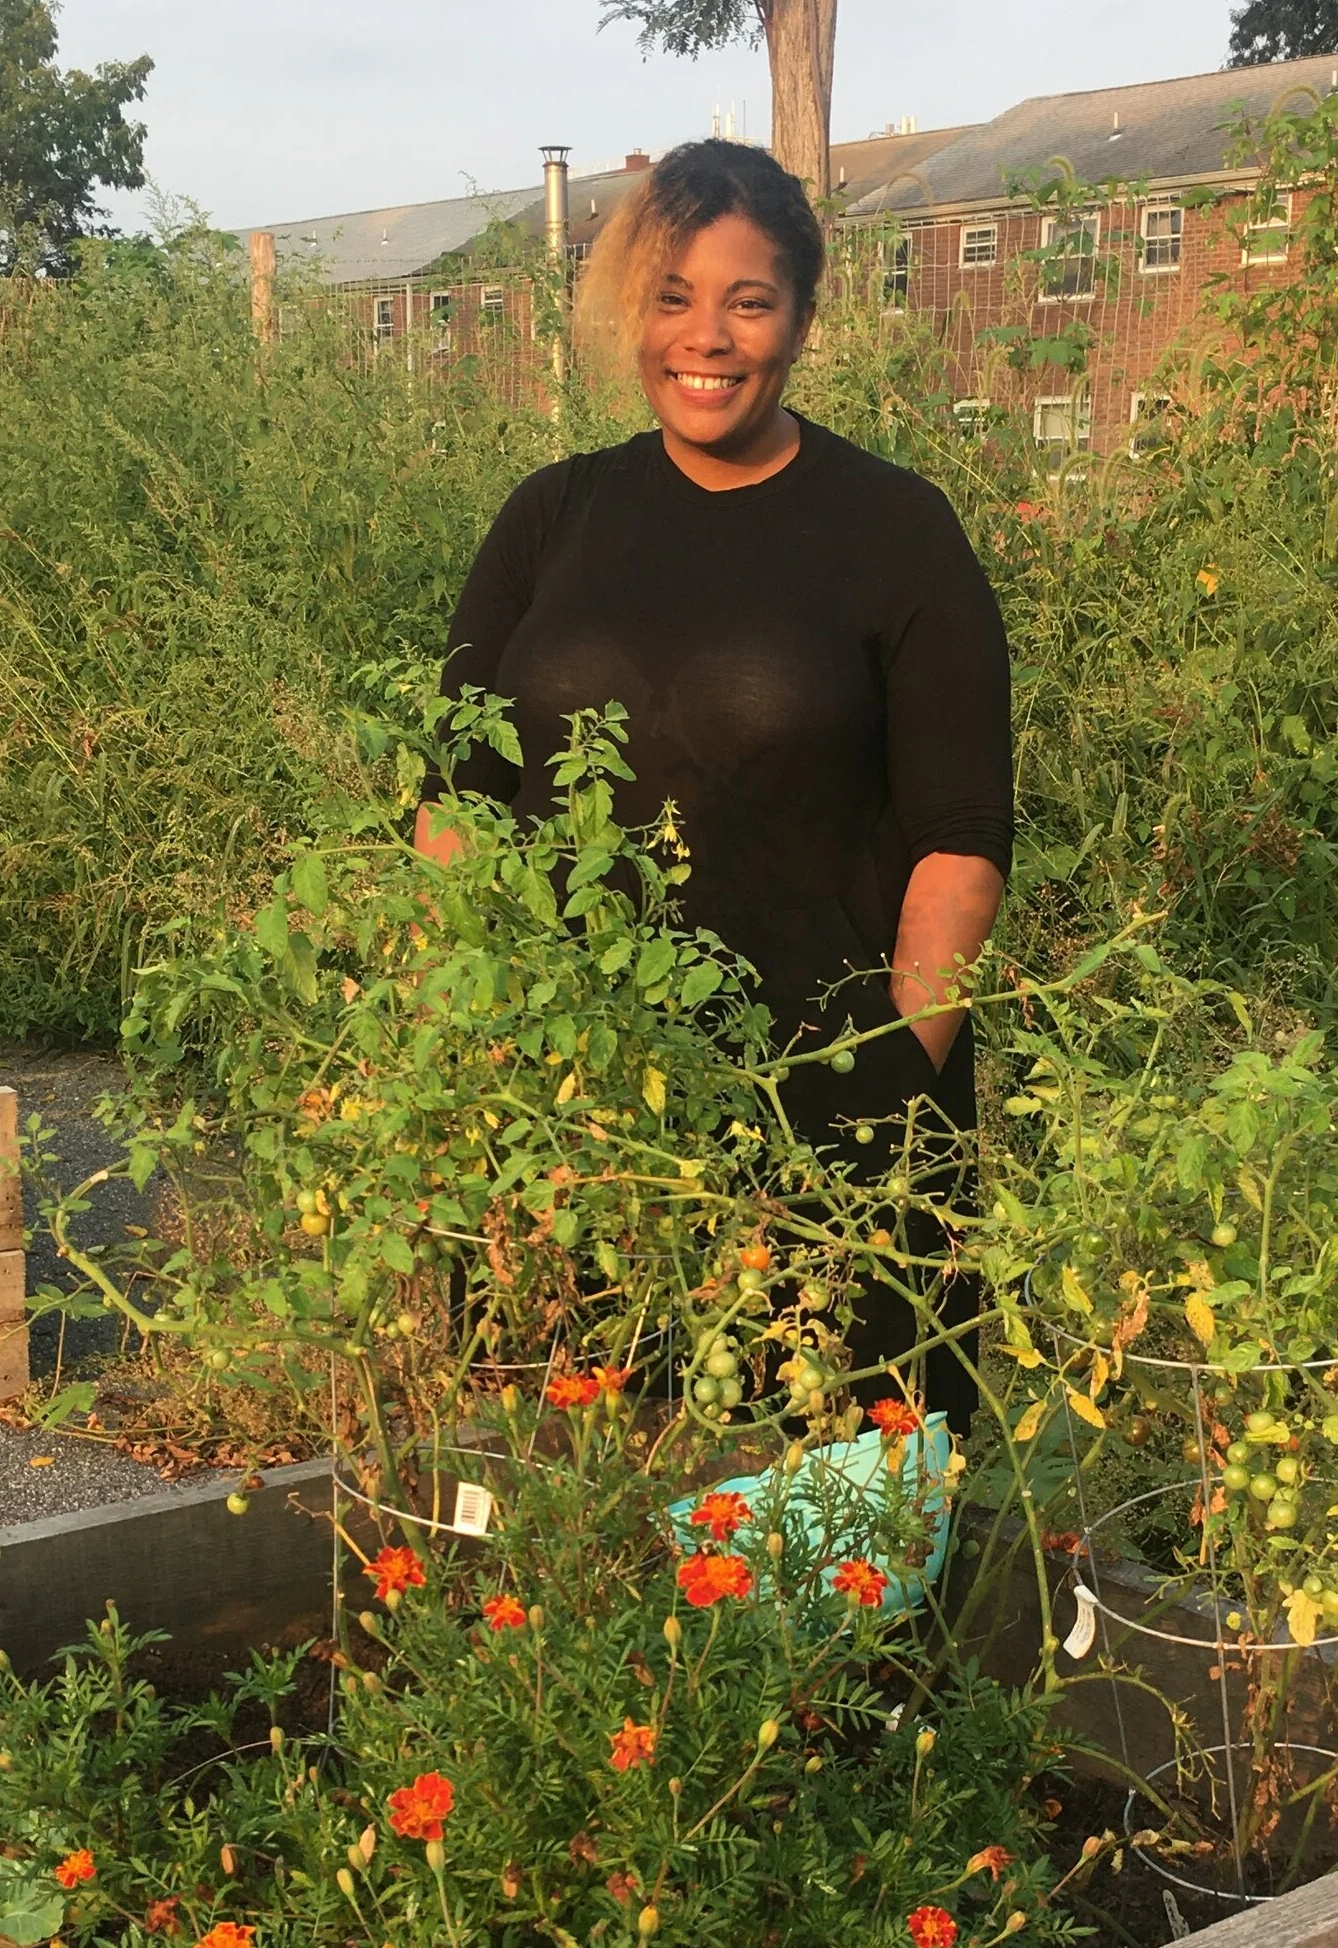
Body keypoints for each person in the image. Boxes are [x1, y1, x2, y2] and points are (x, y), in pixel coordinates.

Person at [424, 138, 1013, 1419]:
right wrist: (471, 1065)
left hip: (826, 1120)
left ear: (802, 314)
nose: (707, 336)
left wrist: (881, 1113)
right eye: (673, 296)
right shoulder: (553, 518)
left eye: (747, 300)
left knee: (832, 1553)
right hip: (573, 1120)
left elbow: (961, 840)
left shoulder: (894, 532)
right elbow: (454, 800)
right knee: (573, 1538)